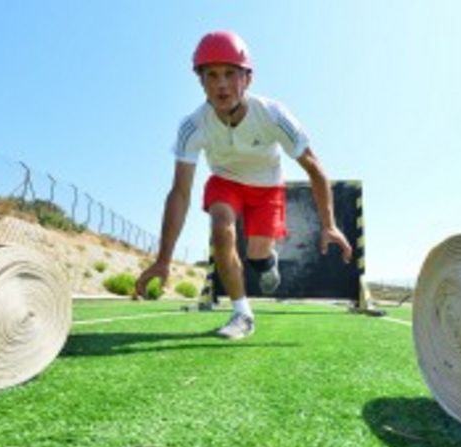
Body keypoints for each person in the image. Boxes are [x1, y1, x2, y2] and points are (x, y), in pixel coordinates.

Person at [136, 31, 352, 340]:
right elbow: (180, 192)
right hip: (226, 180)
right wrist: (163, 259)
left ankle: (266, 262)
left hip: (267, 187)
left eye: (229, 74)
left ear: (247, 79)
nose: (221, 84)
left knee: (257, 256)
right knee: (221, 227)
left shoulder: (274, 115)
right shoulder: (192, 127)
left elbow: (314, 168)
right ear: (201, 81)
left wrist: (329, 224)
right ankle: (241, 313)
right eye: (211, 75)